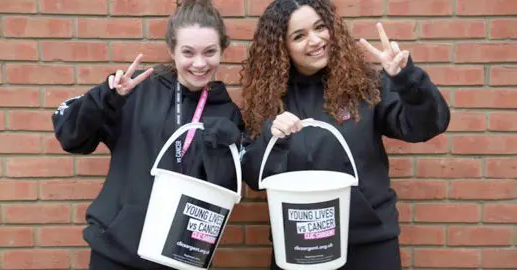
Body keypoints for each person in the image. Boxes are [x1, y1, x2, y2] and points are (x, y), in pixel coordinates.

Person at [240, 0, 450, 269]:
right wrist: (273, 138)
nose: (315, 40)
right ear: (283, 47)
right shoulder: (269, 100)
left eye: (320, 27)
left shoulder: (364, 85)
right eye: (299, 36)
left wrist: (406, 81)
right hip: (300, 244)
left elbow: (427, 126)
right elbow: (254, 177)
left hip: (369, 242)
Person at [51, 0, 243, 269]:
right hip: (116, 253)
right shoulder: (135, 90)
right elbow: (71, 137)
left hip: (181, 257)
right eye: (188, 52)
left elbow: (224, 193)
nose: (200, 63)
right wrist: (107, 97)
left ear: (222, 50)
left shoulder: (226, 112)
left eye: (209, 52)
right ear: (171, 50)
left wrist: (222, 147)